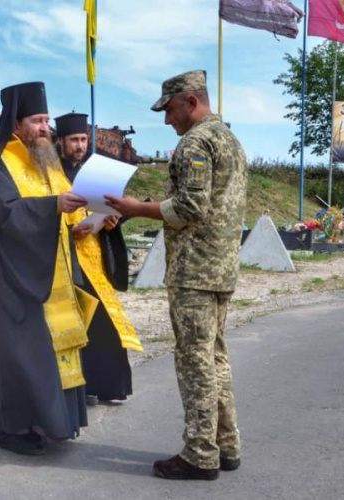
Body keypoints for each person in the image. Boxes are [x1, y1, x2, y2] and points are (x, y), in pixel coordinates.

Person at [105, 69, 247, 481]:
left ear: (190, 101)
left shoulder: (196, 142)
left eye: (169, 110)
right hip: (220, 266)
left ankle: (200, 453)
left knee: (194, 361)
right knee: (215, 356)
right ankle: (226, 444)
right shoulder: (228, 138)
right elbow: (205, 201)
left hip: (194, 270)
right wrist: (152, 204)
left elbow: (190, 208)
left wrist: (135, 208)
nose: (167, 120)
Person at [0, 82, 90, 456]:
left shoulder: (44, 158)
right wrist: (53, 205)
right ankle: (16, 428)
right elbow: (7, 215)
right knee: (21, 352)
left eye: (46, 121)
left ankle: (56, 423)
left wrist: (85, 220)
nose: (44, 128)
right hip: (14, 276)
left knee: (52, 349)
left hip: (51, 271)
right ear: (16, 122)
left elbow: (61, 208)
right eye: (37, 121)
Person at [55, 112, 141, 405]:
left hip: (95, 252)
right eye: (73, 141)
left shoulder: (94, 170)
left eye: (82, 140)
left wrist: (110, 223)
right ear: (61, 142)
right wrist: (69, 231)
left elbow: (108, 204)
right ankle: (86, 387)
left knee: (106, 319)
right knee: (86, 321)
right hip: (67, 257)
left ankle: (109, 387)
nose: (79, 146)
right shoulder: (52, 174)